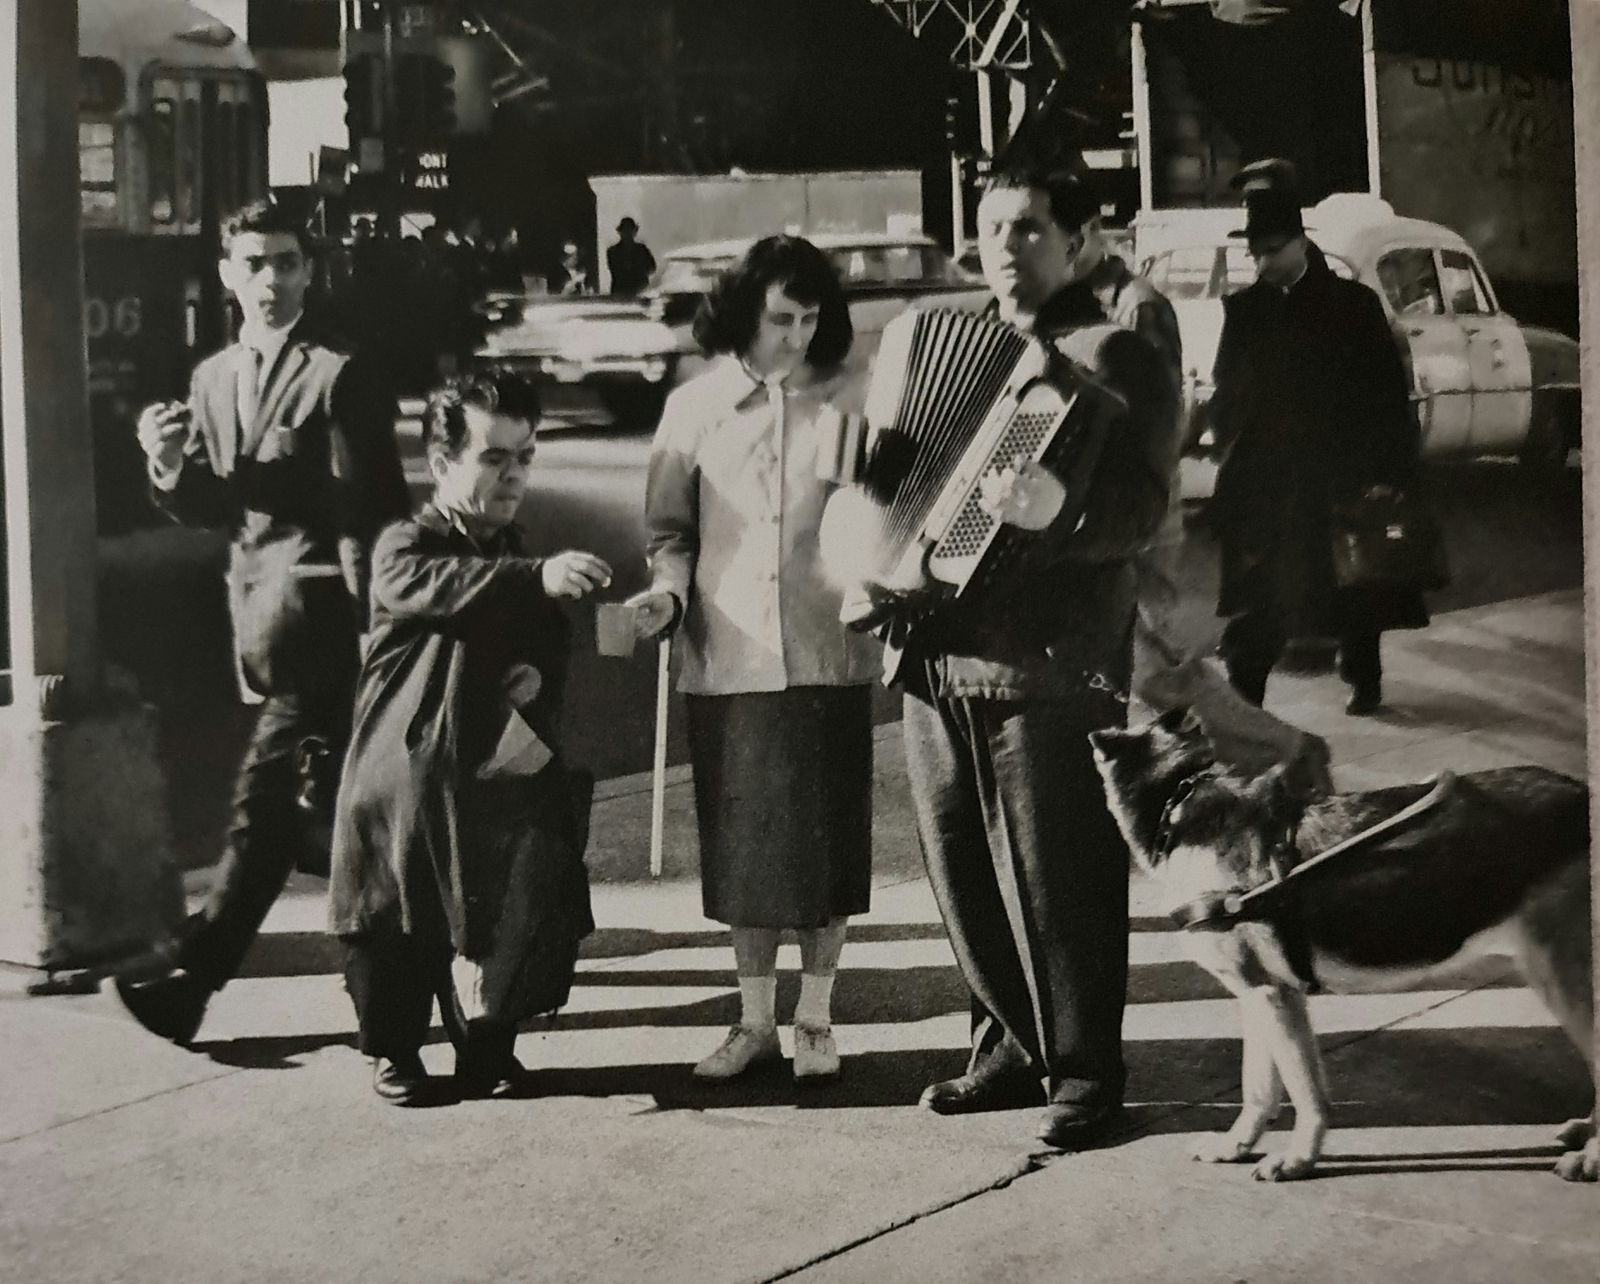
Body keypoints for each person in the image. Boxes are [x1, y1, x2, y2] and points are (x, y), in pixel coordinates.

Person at [880, 166, 1181, 1149]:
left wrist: (1069, 515)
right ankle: (1009, 1047)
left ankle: (1086, 1079)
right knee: (960, 864)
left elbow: (1143, 507)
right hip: (933, 649)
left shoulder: (1115, 351)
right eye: (990, 227)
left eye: (1028, 228)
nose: (1004, 247)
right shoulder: (940, 336)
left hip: (1048, 660)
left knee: (1060, 876)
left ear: (1080, 238)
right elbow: (895, 473)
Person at [117, 198, 410, 1044]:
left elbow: (376, 512)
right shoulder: (211, 378)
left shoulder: (338, 372)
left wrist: (375, 628)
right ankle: (407, 992)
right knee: (303, 819)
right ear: (227, 276)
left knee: (262, 806)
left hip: (329, 632)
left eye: (286, 262)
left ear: (310, 272)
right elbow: (216, 502)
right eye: (255, 264)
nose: (272, 280)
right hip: (261, 626)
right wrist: (167, 464)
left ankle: (194, 980)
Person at [628, 235, 881, 1085]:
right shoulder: (693, 410)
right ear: (744, 313)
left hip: (827, 649)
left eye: (812, 319)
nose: (799, 338)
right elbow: (670, 534)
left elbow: (869, 518)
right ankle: (753, 1021)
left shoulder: (845, 402)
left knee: (826, 849)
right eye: (781, 319)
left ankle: (816, 1017)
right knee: (744, 853)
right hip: (729, 651)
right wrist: (666, 595)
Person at [328, 374, 610, 1104]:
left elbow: (543, 641)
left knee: (539, 852)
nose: (513, 473)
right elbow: (439, 584)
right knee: (402, 871)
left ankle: (490, 1032)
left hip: (488, 754)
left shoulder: (511, 547)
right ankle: (395, 1049)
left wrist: (532, 678)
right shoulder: (405, 541)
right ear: (442, 462)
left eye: (524, 456)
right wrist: (535, 579)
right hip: (406, 759)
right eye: (492, 457)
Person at [1209, 175, 1427, 715]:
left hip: (1340, 479)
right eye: (1254, 253)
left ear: (1302, 241)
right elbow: (1227, 391)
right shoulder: (1243, 313)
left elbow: (1385, 393)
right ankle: (1246, 700)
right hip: (1268, 485)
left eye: (1272, 250)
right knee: (1261, 598)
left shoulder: (1353, 306)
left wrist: (1389, 471)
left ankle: (1363, 675)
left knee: (1354, 588)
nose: (1261, 264)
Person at [606, 217, 658, 297]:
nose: (628, 234)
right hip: (621, 292)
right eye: (626, 231)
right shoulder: (613, 252)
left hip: (640, 291)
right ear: (621, 232)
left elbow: (652, 268)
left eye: (630, 231)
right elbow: (616, 270)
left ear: (634, 232)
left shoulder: (642, 250)